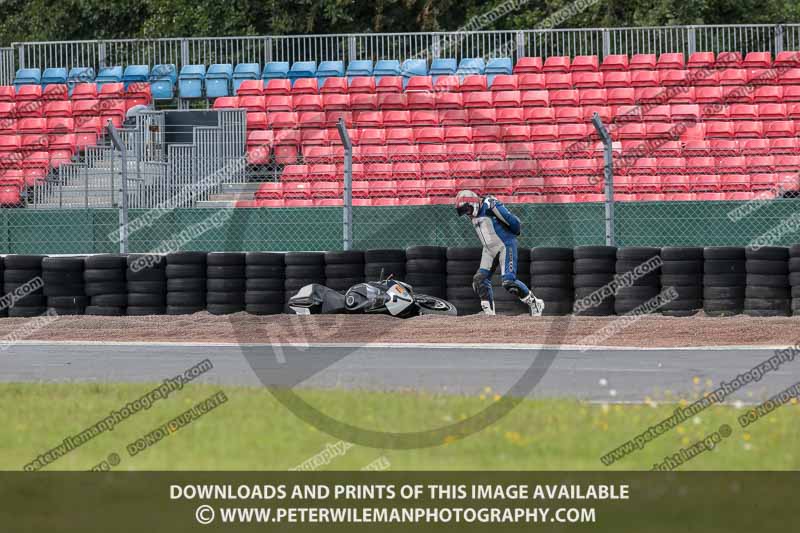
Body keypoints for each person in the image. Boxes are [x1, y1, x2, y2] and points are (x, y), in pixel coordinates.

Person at [455, 189, 544, 316]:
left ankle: (535, 303)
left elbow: (511, 220)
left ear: (473, 203)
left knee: (509, 282)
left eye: (467, 210)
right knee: (480, 281)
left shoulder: (490, 204)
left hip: (505, 245)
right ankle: (490, 315)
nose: (467, 214)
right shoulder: (473, 214)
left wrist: (515, 231)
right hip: (489, 250)